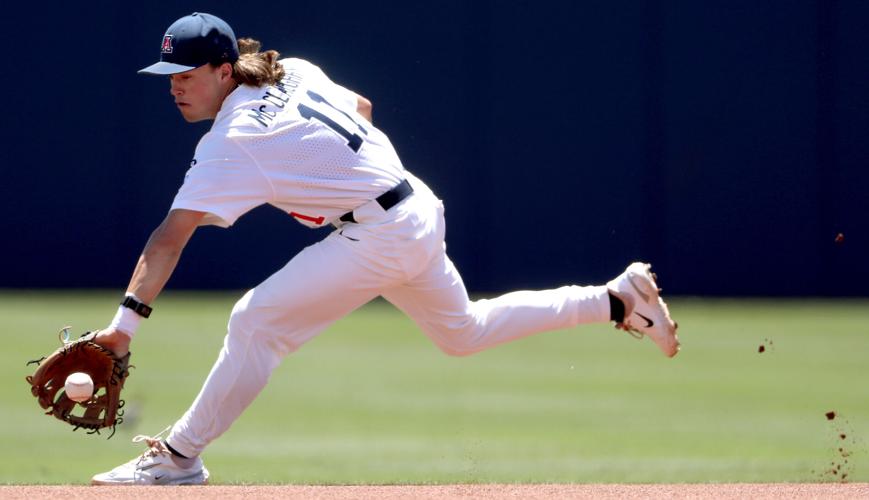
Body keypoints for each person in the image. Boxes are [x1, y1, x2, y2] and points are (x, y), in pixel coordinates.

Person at [90, 12, 680, 486]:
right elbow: (363, 109)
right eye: (167, 74)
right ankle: (615, 301)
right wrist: (340, 180)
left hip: (380, 232)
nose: (174, 86)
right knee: (464, 333)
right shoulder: (290, 69)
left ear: (223, 70)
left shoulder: (232, 140)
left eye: (185, 73)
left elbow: (169, 238)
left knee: (256, 321)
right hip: (413, 206)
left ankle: (179, 457)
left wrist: (124, 329)